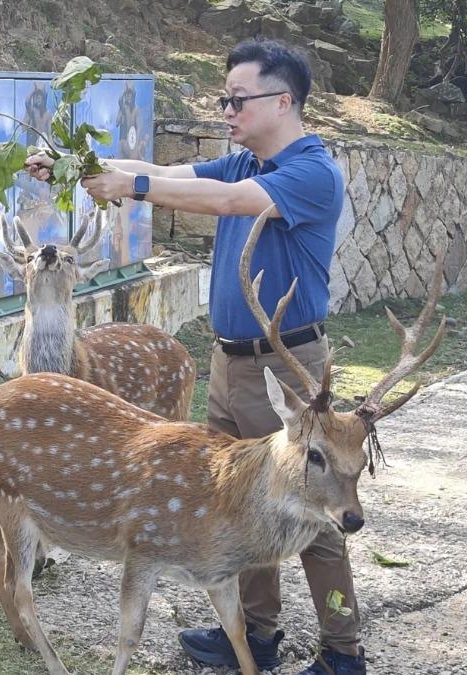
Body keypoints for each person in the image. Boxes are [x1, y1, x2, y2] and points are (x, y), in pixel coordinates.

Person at [25, 38, 366, 675]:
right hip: (229, 361)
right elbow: (180, 177)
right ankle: (257, 634)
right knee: (238, 502)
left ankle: (343, 650)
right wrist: (78, 165)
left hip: (287, 370)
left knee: (317, 509)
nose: (227, 111)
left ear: (283, 100)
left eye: (237, 100)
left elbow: (224, 203)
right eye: (224, 100)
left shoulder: (311, 172)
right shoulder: (243, 162)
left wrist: (131, 184)